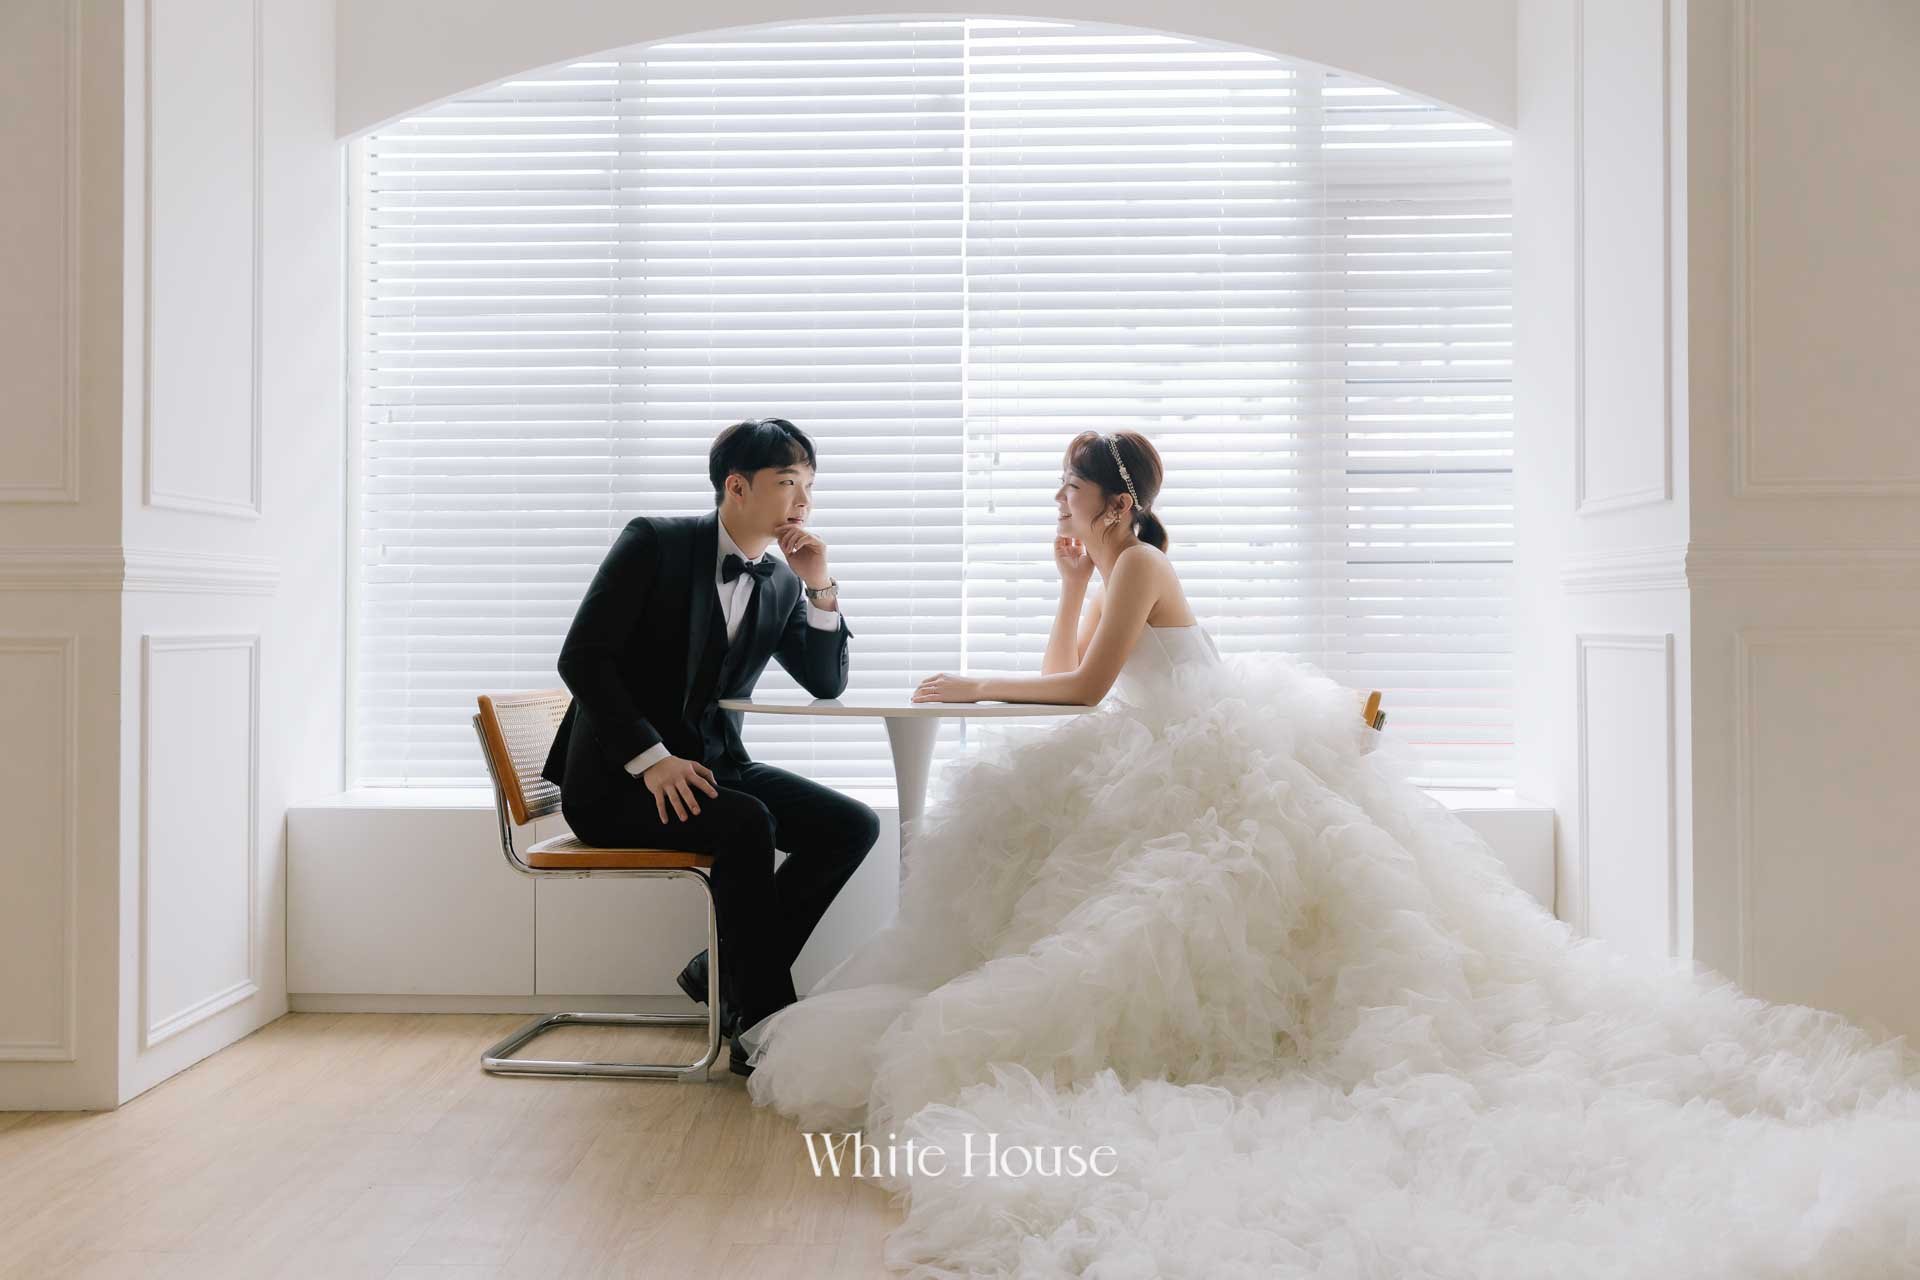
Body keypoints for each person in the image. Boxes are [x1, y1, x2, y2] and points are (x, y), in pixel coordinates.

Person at [743, 429, 1920, 1277]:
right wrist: (1062, 585)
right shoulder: (1106, 565)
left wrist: (976, 678)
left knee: (1175, 915)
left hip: (1204, 756)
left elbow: (1087, 689)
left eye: (1069, 490)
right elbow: (1071, 672)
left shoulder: (1144, 561)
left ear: (1116, 501)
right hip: (1156, 748)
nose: (1059, 502)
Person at [541, 418, 880, 1077]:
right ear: (737, 486)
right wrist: (652, 759)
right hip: (616, 782)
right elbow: (582, 659)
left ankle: (719, 971)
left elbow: (826, 681)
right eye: (788, 484)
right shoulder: (655, 543)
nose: (803, 502)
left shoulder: (779, 581)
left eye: (810, 487)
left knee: (849, 826)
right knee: (747, 822)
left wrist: (819, 583)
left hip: (715, 767)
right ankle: (762, 1028)